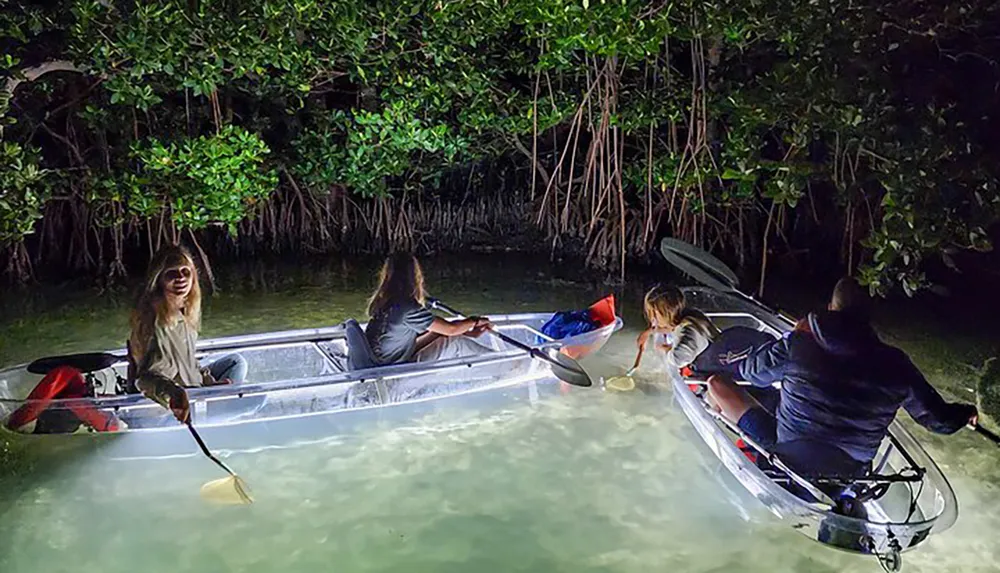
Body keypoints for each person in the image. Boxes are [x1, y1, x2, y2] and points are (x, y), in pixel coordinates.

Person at [707, 277, 978, 479]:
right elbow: (938, 420)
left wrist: (791, 337)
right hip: (852, 470)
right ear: (869, 318)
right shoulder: (897, 364)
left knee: (716, 385)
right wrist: (966, 413)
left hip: (790, 454)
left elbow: (752, 373)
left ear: (831, 307)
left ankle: (728, 431)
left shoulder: (799, 343)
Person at [129, 244, 248, 424]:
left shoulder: (181, 310)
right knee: (257, 398)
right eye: (172, 273)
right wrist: (175, 394)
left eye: (186, 272)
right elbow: (146, 378)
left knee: (237, 362)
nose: (181, 279)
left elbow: (188, 362)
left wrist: (210, 382)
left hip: (192, 384)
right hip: (180, 398)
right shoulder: (155, 320)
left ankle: (218, 406)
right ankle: (215, 419)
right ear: (159, 279)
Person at [363, 253, 495, 366]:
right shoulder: (407, 308)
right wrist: (474, 321)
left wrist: (469, 332)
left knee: (440, 333)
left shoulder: (383, 303)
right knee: (455, 342)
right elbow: (451, 330)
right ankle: (508, 367)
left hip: (383, 365)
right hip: (392, 376)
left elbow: (442, 330)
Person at [635, 285, 720, 370]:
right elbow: (671, 327)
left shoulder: (688, 331)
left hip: (714, 365)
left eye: (654, 314)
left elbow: (677, 360)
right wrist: (648, 332)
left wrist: (666, 349)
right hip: (716, 350)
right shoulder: (691, 314)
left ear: (667, 313)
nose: (653, 318)